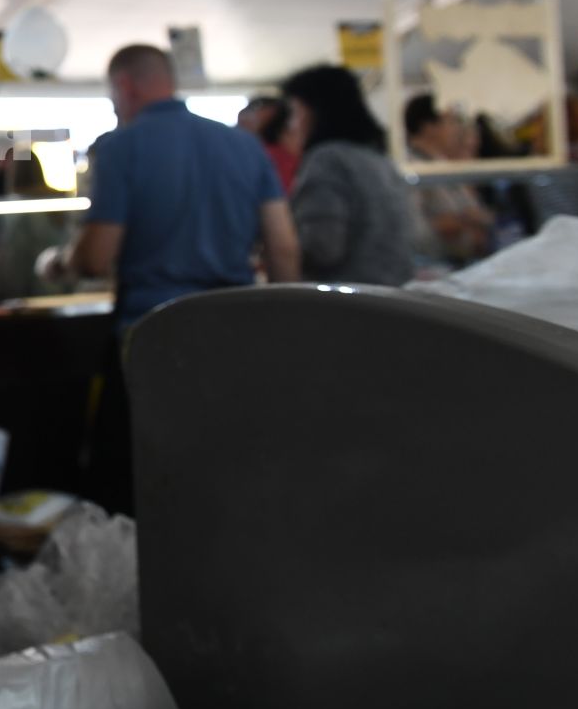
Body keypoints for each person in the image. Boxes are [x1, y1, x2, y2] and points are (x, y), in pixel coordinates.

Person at [49, 46, 300, 511]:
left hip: (151, 338)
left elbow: (96, 258)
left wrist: (60, 261)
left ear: (125, 86)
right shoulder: (244, 146)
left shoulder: (120, 146)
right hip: (235, 333)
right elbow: (283, 247)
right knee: (229, 481)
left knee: (145, 491)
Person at [283, 66, 417, 286]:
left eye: (295, 112)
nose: (292, 125)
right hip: (393, 296)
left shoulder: (327, 160)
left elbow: (323, 247)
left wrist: (279, 244)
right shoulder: (378, 159)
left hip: (347, 304)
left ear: (313, 111)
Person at [403, 94, 493, 266]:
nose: (456, 130)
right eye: (450, 122)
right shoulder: (412, 172)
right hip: (433, 268)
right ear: (428, 127)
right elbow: (415, 233)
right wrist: (462, 221)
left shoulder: (443, 167)